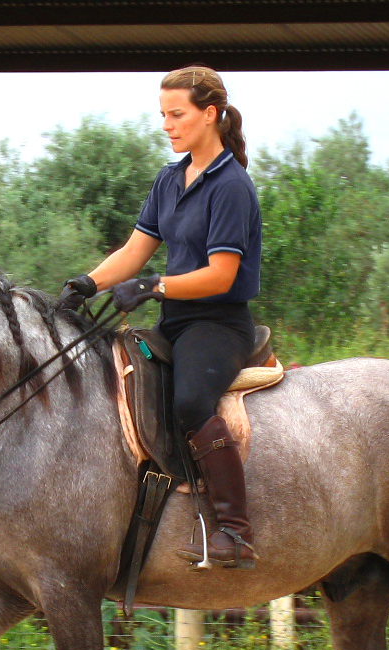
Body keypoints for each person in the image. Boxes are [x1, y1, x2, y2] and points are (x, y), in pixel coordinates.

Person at [59, 65, 262, 569]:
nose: (167, 125)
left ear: (209, 114)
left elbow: (219, 275)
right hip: (174, 321)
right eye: (162, 116)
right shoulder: (170, 179)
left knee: (191, 401)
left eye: (177, 115)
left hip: (217, 323)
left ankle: (235, 530)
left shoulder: (231, 186)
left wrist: (152, 286)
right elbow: (134, 251)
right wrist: (85, 284)